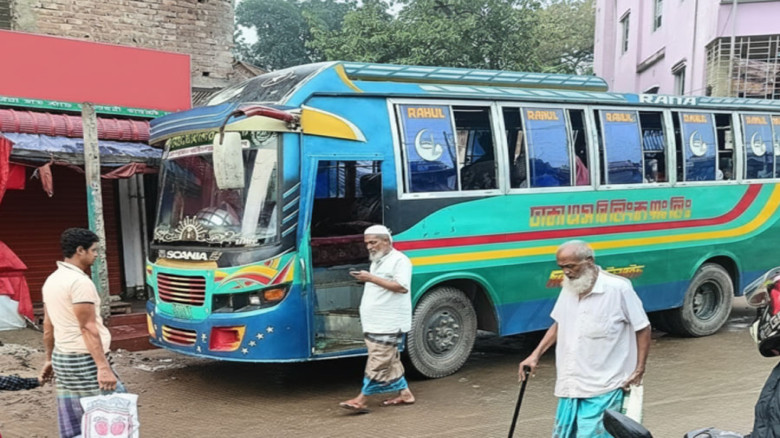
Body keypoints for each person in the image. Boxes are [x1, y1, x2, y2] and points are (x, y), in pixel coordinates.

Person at [518, 240, 651, 438]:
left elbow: (643, 327)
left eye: (571, 266)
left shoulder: (618, 288)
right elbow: (559, 323)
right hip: (571, 385)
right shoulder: (569, 287)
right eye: (562, 267)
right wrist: (535, 355)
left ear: (589, 261)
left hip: (605, 387)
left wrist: (639, 369)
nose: (566, 272)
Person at [39, 228, 125, 438]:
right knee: (113, 412)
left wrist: (49, 359)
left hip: (63, 358)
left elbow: (48, 326)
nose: (97, 255)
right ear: (80, 250)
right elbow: (87, 327)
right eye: (94, 250)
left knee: (74, 418)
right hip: (84, 358)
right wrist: (103, 367)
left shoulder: (52, 280)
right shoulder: (80, 283)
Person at [339, 225, 415, 414]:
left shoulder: (401, 261)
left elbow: (401, 286)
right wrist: (368, 278)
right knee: (390, 359)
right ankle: (405, 394)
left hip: (389, 322)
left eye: (373, 242)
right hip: (375, 322)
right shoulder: (378, 261)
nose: (369, 247)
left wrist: (370, 278)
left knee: (379, 360)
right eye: (367, 243)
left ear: (386, 241)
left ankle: (361, 399)